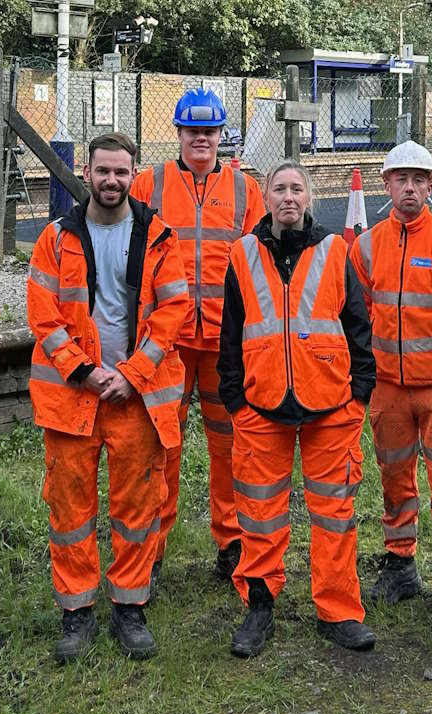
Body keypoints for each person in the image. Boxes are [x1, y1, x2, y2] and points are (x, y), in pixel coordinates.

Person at [27, 132, 189, 662]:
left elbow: (172, 314)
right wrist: (84, 371)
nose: (112, 181)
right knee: (70, 507)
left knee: (137, 506)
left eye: (122, 172)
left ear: (133, 173)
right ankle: (76, 612)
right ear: (88, 173)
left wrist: (133, 373)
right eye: (103, 171)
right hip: (75, 399)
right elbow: (43, 315)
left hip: (136, 398)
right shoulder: (56, 238)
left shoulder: (159, 236)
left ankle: (129, 606)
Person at [219, 161, 376, 658]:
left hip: (330, 405)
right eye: (279, 189)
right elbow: (231, 331)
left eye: (297, 189)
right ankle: (259, 607)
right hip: (261, 407)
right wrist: (235, 400)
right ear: (264, 198)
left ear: (309, 198)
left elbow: (357, 322)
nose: (289, 197)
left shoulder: (334, 249)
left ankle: (339, 611)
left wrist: (359, 394)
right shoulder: (242, 254)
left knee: (335, 514)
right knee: (260, 515)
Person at [129, 88, 265, 589]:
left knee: (229, 445)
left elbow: (257, 263)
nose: (202, 138)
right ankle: (152, 549)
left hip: (225, 341)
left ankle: (231, 544)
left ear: (221, 135)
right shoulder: (150, 183)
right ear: (179, 133)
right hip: (166, 339)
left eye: (210, 131)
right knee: (162, 445)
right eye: (193, 130)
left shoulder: (247, 191)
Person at [347, 141, 432, 623]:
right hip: (386, 389)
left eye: (418, 179)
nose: (409, 188)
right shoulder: (365, 246)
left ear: (431, 186)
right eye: (400, 179)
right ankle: (401, 564)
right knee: (395, 478)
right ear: (386, 185)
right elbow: (354, 314)